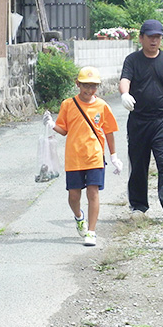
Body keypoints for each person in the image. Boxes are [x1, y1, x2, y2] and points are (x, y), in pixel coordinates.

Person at [44, 66, 122, 246]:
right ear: (77, 84)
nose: (89, 90)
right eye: (86, 85)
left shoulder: (102, 106)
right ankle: (79, 217)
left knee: (93, 192)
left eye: (93, 86)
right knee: (73, 195)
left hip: (94, 156)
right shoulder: (68, 104)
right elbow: (63, 130)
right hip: (74, 157)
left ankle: (91, 231)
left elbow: (109, 132)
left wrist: (114, 156)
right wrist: (52, 125)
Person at [119, 19, 163, 222]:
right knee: (139, 164)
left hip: (162, 121)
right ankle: (139, 207)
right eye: (150, 37)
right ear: (141, 38)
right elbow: (125, 80)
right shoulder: (132, 60)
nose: (154, 40)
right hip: (138, 121)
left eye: (158, 37)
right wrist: (124, 94)